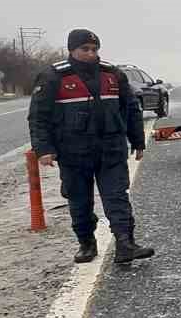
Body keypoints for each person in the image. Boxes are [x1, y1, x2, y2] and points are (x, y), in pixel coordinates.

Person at [28, 29, 155, 263]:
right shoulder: (53, 76)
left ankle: (125, 243)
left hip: (110, 148)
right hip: (73, 152)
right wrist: (43, 149)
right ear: (72, 50)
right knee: (79, 200)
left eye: (94, 49)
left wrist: (138, 141)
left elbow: (131, 109)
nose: (90, 54)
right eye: (84, 49)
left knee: (117, 196)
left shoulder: (113, 74)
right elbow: (38, 117)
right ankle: (86, 243)